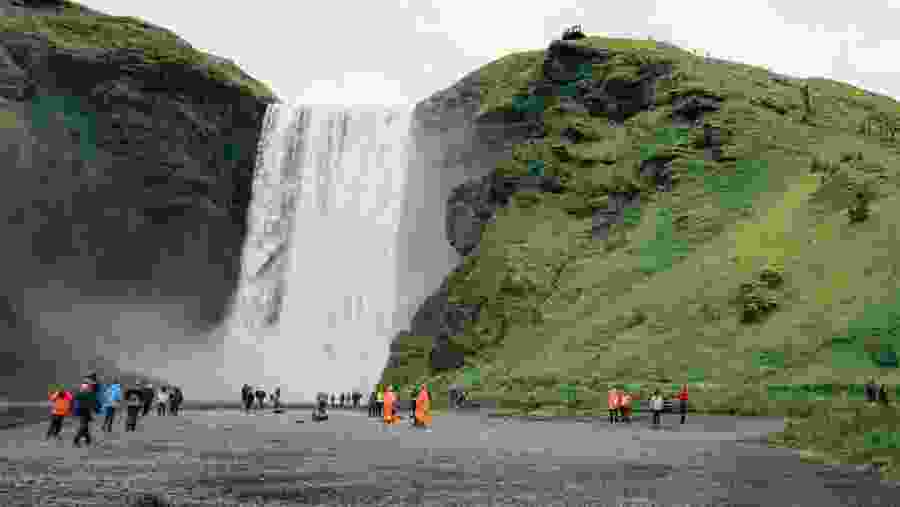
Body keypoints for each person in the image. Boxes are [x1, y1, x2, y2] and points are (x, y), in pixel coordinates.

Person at [72, 382, 98, 447]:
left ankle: (88, 440)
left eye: (86, 387)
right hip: (82, 412)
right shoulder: (81, 394)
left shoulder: (84, 394)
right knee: (83, 427)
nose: (86, 388)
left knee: (85, 427)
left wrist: (95, 409)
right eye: (85, 387)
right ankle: (76, 440)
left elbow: (92, 403)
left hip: (85, 412)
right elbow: (75, 402)